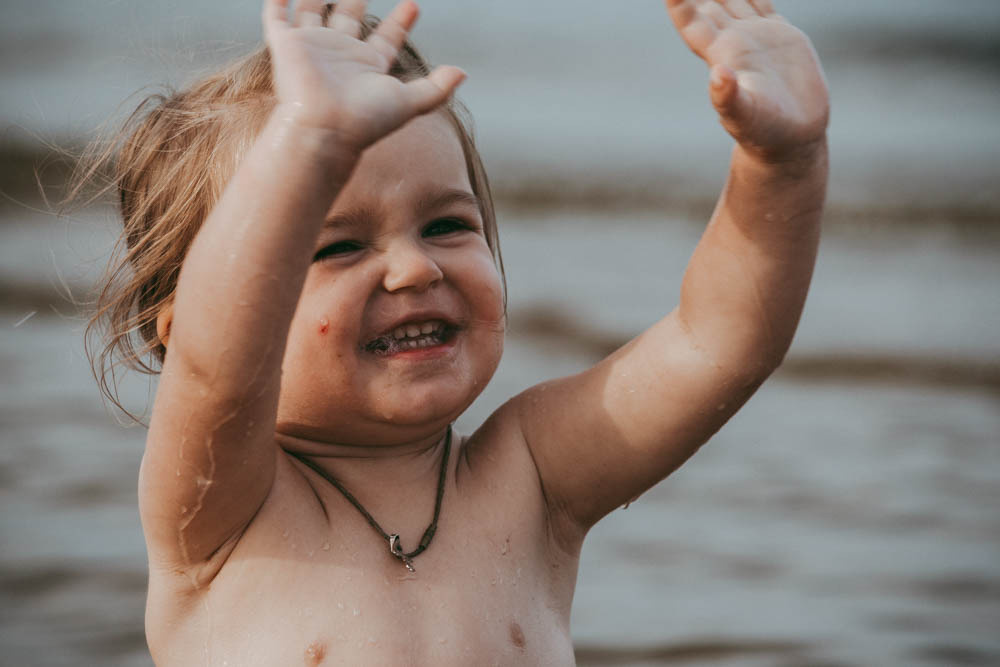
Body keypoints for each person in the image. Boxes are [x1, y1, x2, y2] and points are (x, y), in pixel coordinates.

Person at [86, 0, 829, 663]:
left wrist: (784, 163)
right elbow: (219, 361)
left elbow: (717, 341)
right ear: (180, 329)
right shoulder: (220, 512)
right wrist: (306, 144)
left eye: (445, 225)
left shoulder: (532, 478)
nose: (412, 267)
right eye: (336, 245)